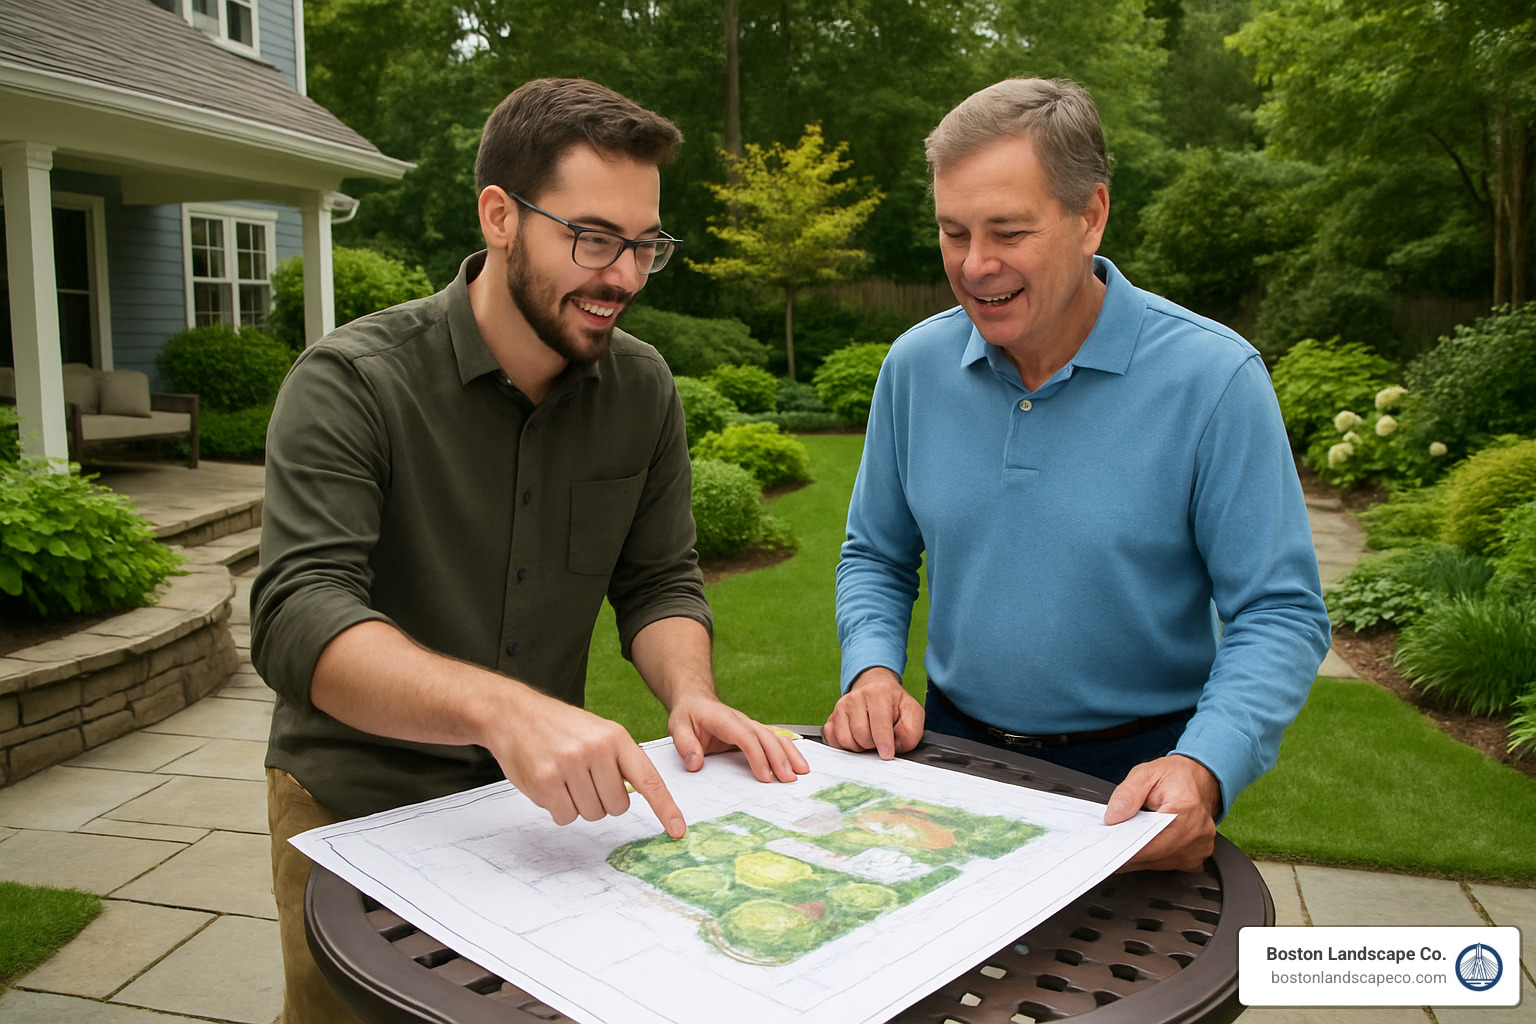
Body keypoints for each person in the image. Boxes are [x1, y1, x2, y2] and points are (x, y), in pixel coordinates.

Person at [251, 78, 809, 1024]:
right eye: (593, 238)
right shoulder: (352, 382)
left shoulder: (643, 390)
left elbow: (659, 582)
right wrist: (502, 709)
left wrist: (692, 694)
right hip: (355, 808)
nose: (625, 276)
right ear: (501, 216)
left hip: (540, 817)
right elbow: (301, 613)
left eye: (645, 245)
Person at [823, 78, 1330, 873]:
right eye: (953, 232)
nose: (975, 264)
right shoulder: (915, 366)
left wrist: (1204, 766)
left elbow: (1278, 611)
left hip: (1133, 786)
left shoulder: (1215, 378)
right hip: (944, 761)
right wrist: (873, 669)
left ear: (1090, 214)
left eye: (1007, 231)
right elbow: (876, 557)